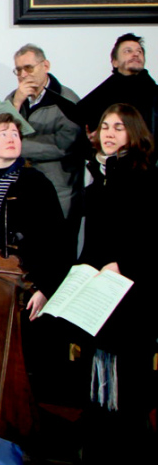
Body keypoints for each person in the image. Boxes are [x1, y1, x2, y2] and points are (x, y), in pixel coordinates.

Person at [77, 104, 158, 462]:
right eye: (105, 126)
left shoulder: (147, 178)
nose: (109, 133)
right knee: (96, 379)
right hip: (99, 292)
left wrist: (122, 264)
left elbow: (150, 238)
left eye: (119, 127)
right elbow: (92, 242)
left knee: (130, 381)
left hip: (133, 296)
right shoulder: (99, 181)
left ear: (134, 133)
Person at [0, 114, 70, 315]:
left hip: (21, 283)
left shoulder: (36, 182)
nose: (11, 139)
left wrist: (45, 287)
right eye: (3, 134)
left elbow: (57, 240)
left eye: (15, 134)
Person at [5, 44, 84, 221]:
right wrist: (16, 104)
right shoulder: (13, 98)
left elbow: (64, 144)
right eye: (18, 70)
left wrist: (16, 146)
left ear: (45, 66)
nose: (23, 75)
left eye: (28, 68)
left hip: (59, 189)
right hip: (21, 186)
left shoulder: (67, 100)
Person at [78, 33, 158, 137]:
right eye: (128, 51)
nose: (136, 54)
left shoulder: (153, 92)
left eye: (139, 51)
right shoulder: (102, 92)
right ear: (115, 62)